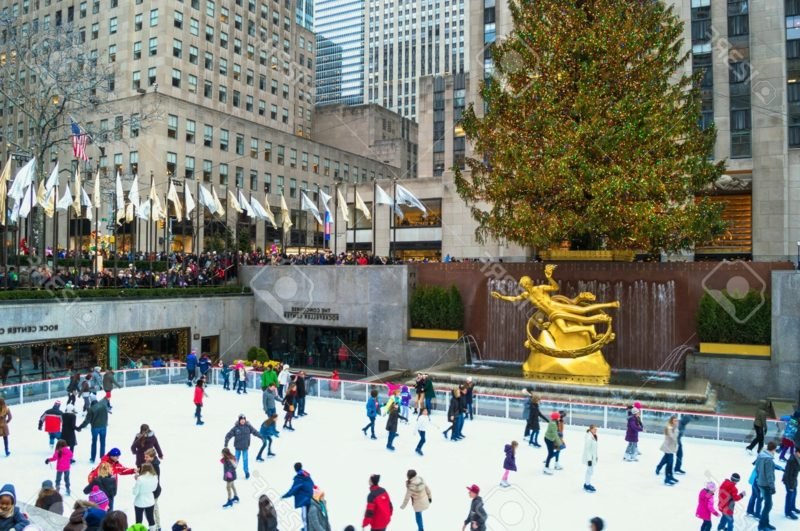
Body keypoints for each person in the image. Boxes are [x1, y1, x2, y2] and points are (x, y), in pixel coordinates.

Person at [224, 414, 263, 480]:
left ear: (245, 420)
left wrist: (261, 437)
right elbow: (229, 434)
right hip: (238, 448)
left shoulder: (248, 427)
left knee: (245, 460)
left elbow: (255, 432)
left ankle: (246, 472)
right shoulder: (236, 428)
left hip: (245, 447)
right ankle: (231, 472)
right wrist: (226, 442)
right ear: (239, 420)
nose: (242, 421)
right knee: (235, 461)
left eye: (243, 420)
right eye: (241, 420)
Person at [77, 397, 111, 463]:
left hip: (95, 427)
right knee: (103, 443)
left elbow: (86, 421)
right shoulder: (103, 407)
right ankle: (102, 457)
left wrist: (80, 427)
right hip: (103, 427)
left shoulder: (91, 409)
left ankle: (93, 458)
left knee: (94, 443)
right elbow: (106, 416)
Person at [282, 462, 314, 530]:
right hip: (310, 498)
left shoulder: (299, 479)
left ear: (295, 469)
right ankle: (308, 528)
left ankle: (306, 529)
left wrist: (284, 496)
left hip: (305, 500)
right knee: (308, 515)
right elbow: (312, 484)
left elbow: (293, 490)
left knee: (304, 516)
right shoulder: (306, 475)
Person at [756, 440, 778, 530]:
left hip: (760, 482)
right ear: (773, 449)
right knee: (768, 505)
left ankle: (766, 523)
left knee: (767, 504)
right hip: (766, 485)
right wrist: (772, 487)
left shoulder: (761, 455)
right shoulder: (768, 459)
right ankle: (762, 525)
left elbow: (756, 467)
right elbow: (770, 475)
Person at [656, 415, 679, 486]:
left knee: (665, 460)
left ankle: (660, 468)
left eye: (677, 420)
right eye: (675, 420)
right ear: (671, 420)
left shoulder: (674, 427)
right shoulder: (669, 427)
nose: (676, 422)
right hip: (668, 447)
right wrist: (676, 430)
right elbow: (673, 437)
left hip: (671, 447)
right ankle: (667, 478)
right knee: (670, 463)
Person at [784, 447, 800, 520]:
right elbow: (788, 473)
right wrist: (790, 485)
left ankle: (792, 507)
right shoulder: (792, 460)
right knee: (790, 495)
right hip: (789, 481)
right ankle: (788, 512)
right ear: (797, 452)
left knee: (794, 494)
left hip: (794, 480)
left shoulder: (797, 458)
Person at [583, 424, 599, 493]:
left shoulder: (593, 436)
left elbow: (594, 448)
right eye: (594, 429)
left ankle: (587, 483)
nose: (596, 430)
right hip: (589, 458)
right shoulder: (589, 437)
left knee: (590, 471)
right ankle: (587, 485)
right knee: (589, 471)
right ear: (591, 429)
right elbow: (587, 449)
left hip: (592, 457)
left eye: (596, 429)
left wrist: (596, 456)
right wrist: (589, 459)